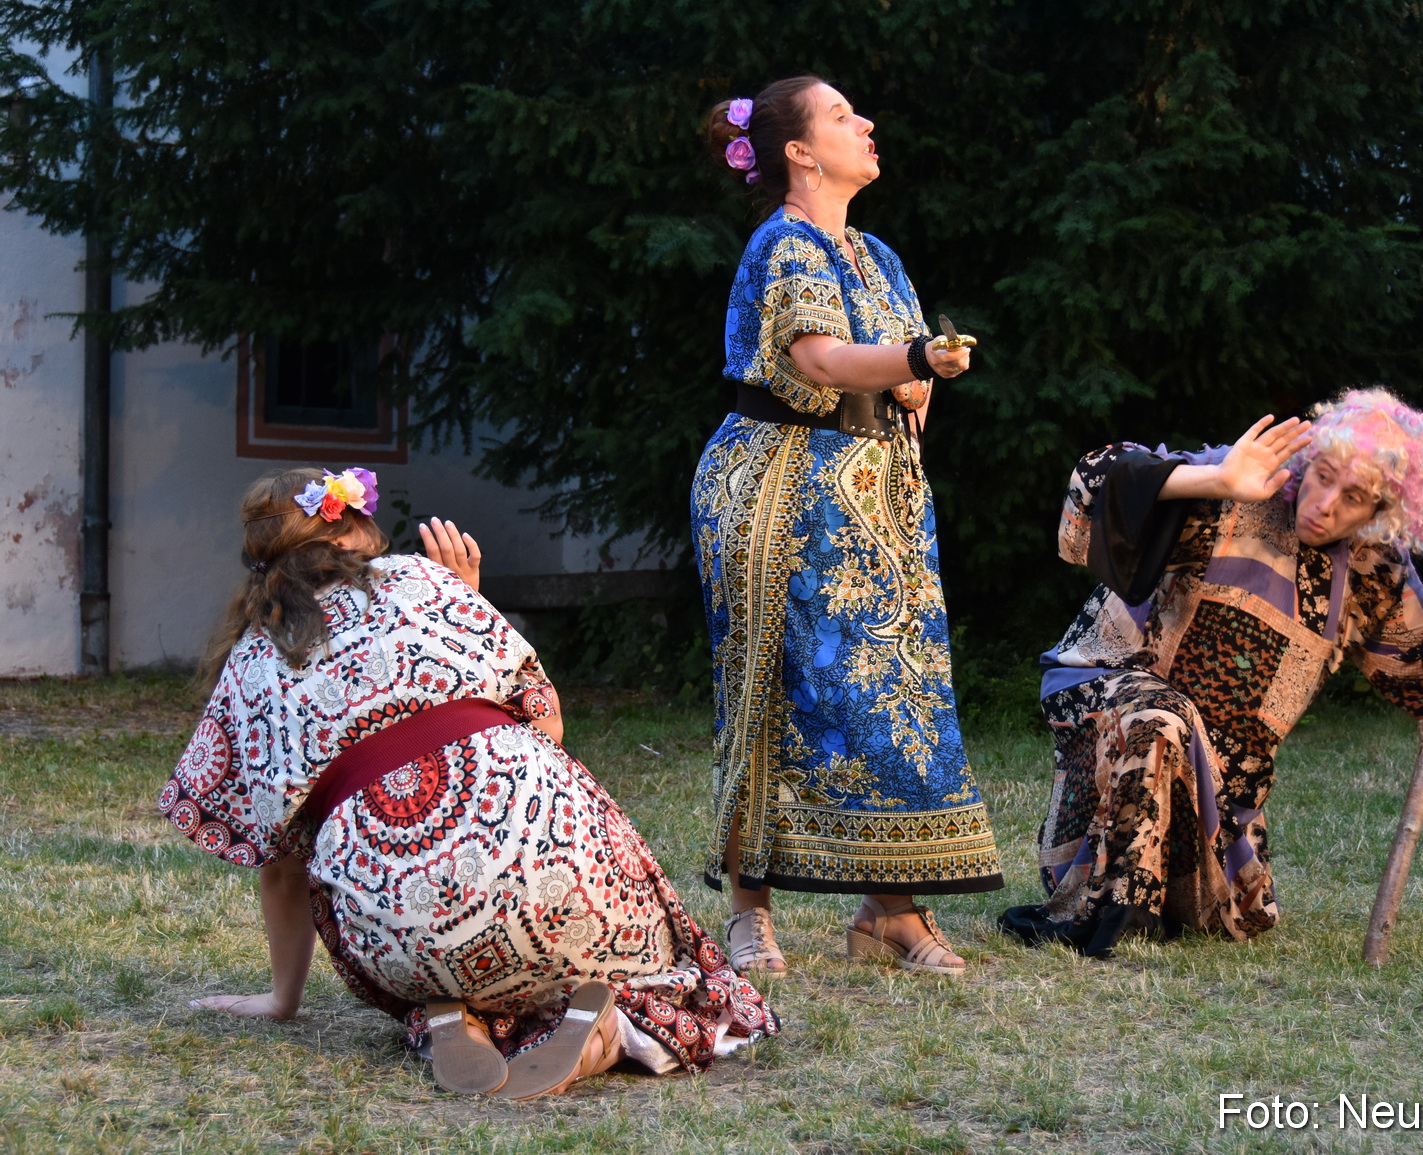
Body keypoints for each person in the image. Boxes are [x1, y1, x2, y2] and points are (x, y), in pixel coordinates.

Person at [162, 467, 778, 1097]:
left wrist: (282, 999)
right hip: (558, 883)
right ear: (350, 532)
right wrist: (467, 596)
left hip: (403, 928)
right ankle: (607, 1031)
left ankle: (445, 1015)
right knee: (656, 973)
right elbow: (550, 724)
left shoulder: (253, 662)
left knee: (391, 921)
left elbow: (280, 863)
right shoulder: (421, 578)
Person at [998, 388, 1423, 956]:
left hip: (1224, 777)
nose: (1326, 502)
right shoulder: (1241, 482)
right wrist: (1211, 480)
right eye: (1324, 475)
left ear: (1381, 513)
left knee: (1226, 910)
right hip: (1108, 685)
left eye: (1353, 496)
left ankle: (1163, 897)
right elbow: (1087, 498)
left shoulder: (1375, 568)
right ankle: (1114, 909)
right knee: (1164, 721)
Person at [690, 76, 1003, 976]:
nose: (866, 124)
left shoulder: (880, 256)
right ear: (797, 151)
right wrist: (911, 359)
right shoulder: (783, 243)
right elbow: (821, 360)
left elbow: (906, 385)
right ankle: (751, 911)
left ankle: (890, 911)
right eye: (840, 116)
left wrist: (918, 380)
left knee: (887, 693)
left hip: (875, 493)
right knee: (771, 688)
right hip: (777, 486)